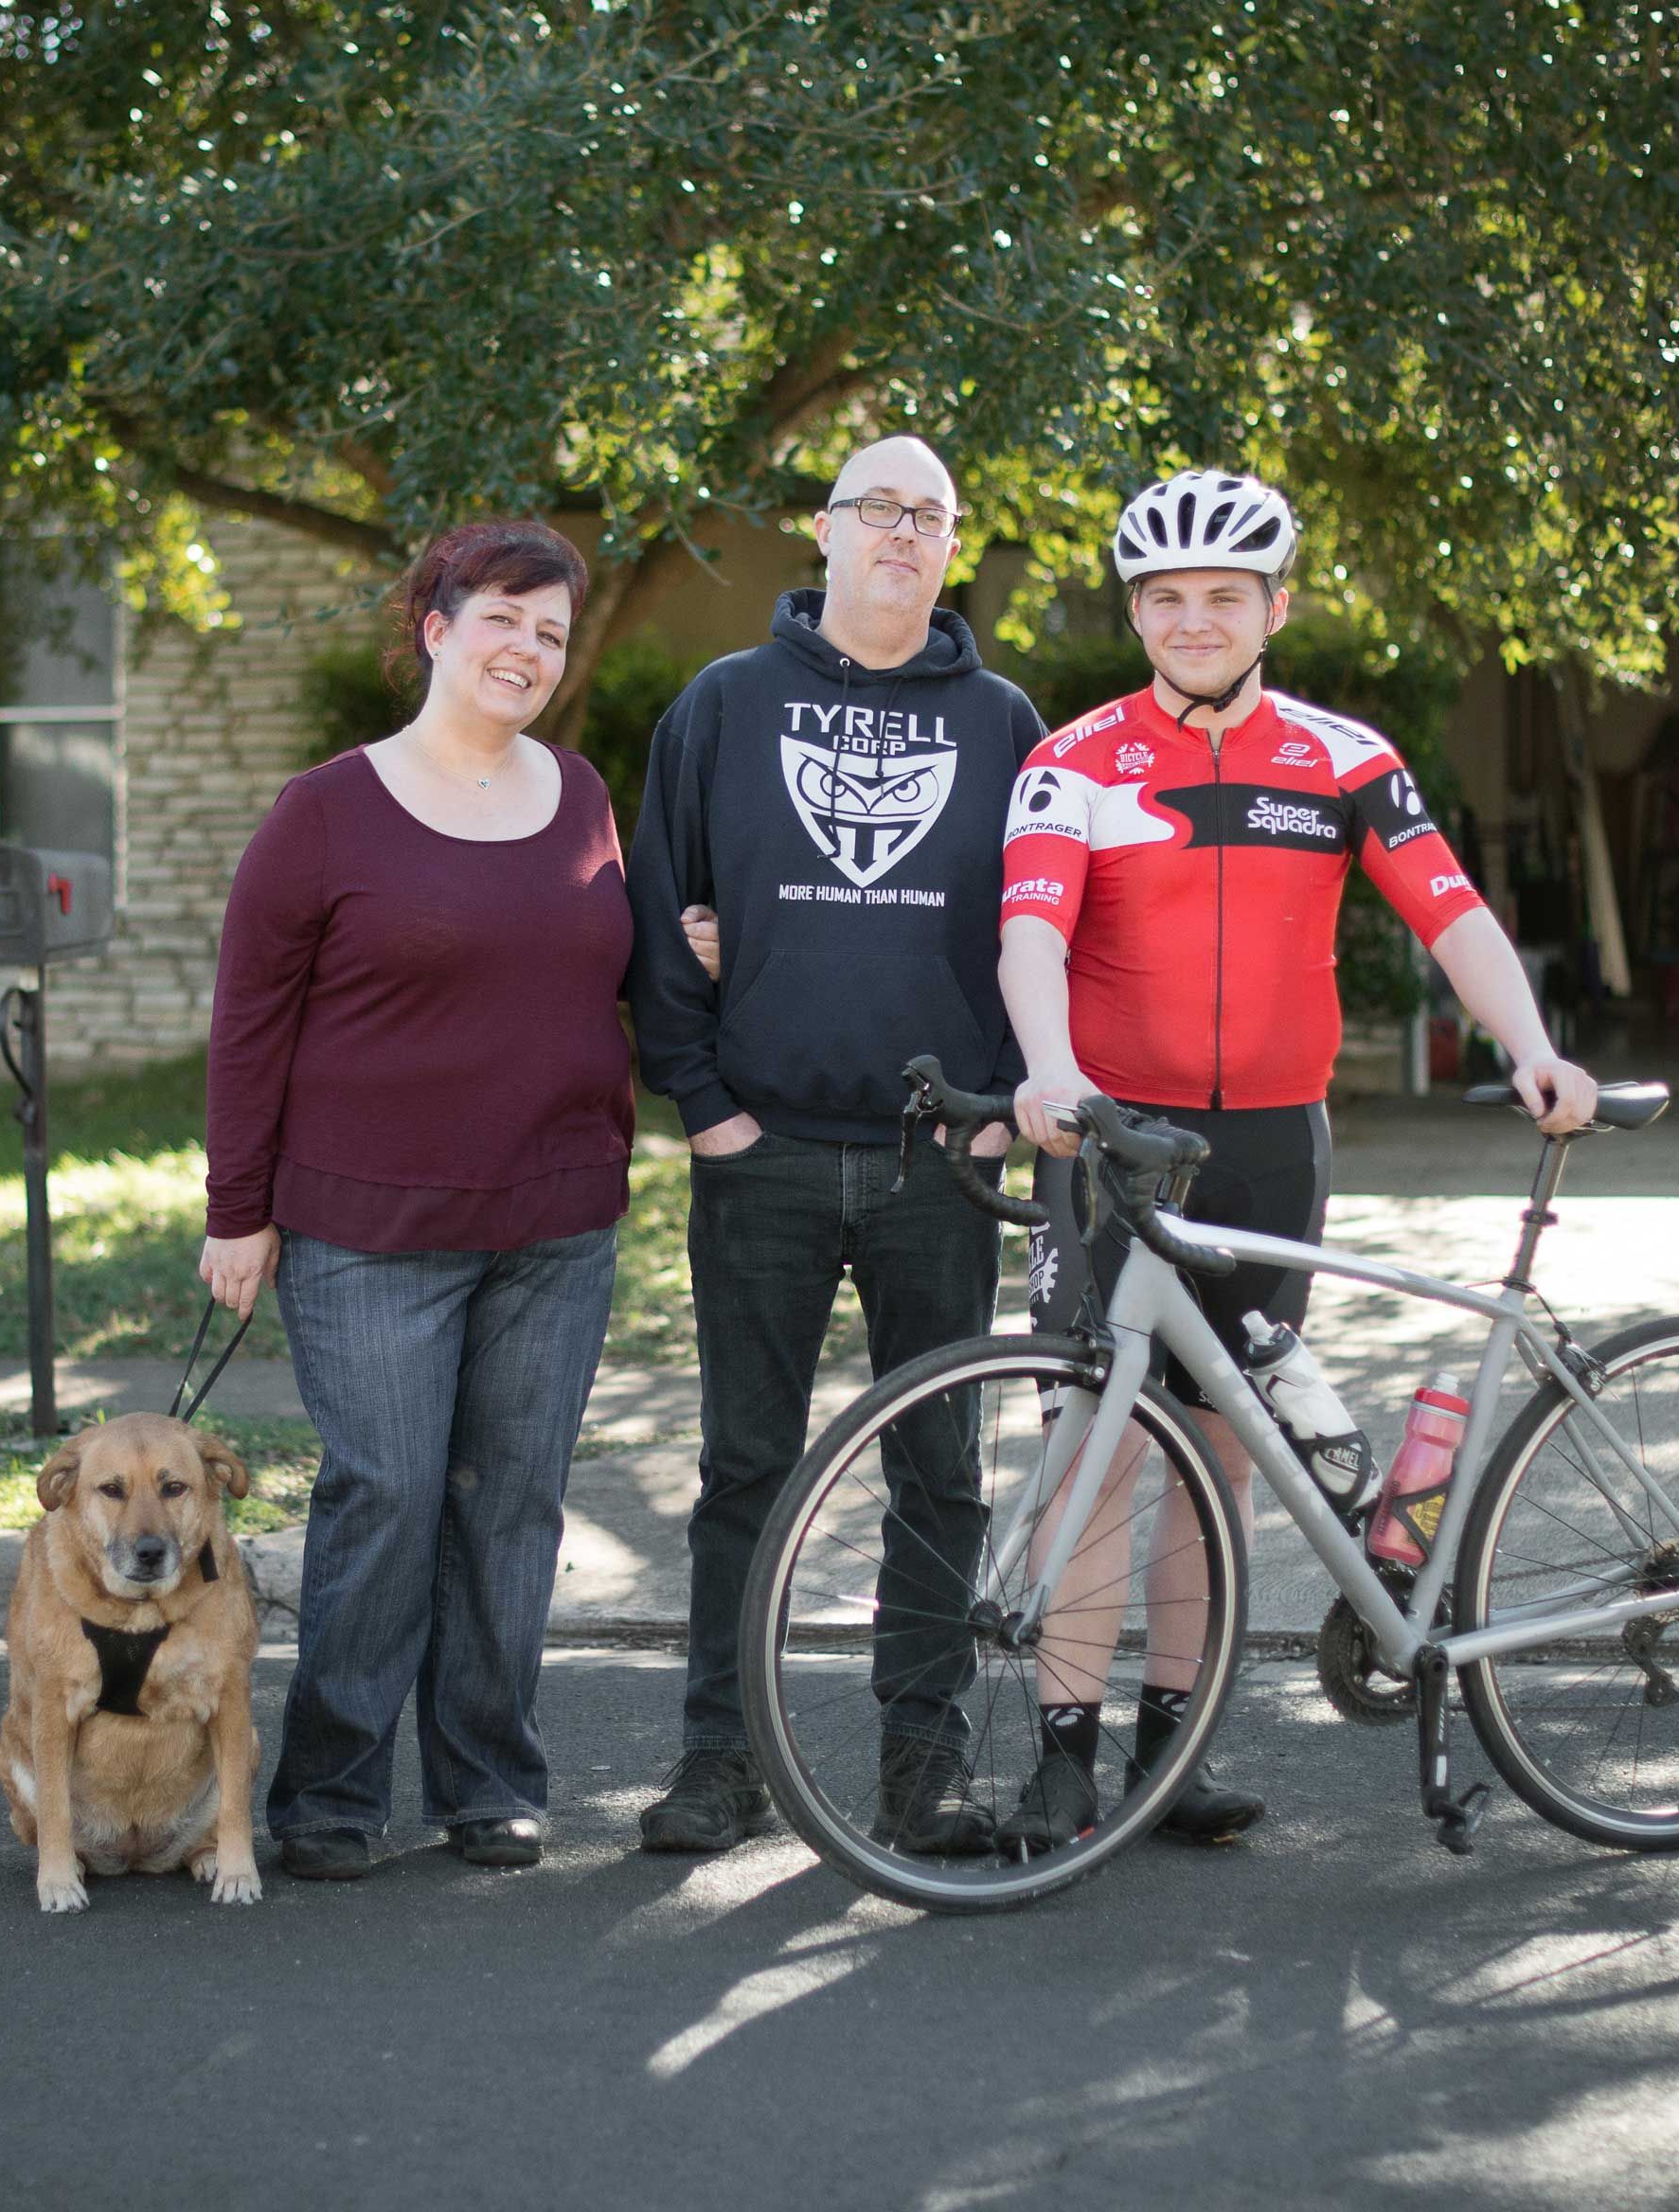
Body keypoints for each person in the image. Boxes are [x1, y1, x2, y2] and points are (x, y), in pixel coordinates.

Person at [994, 469, 1597, 1852]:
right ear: (1135, 609)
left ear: (1278, 604)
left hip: (1269, 1144)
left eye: (1222, 596)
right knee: (1094, 1445)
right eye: (1165, 598)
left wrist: (1532, 1045)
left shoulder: (1341, 757)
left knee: (1227, 1453)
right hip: (1114, 1139)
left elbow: (1449, 913)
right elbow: (1031, 929)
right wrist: (1049, 1071)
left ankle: (1177, 1746)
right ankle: (1064, 1754)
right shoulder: (1075, 760)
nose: (1192, 620)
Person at [623, 436, 1051, 1857]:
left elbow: (1043, 924)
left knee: (941, 1472)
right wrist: (706, 1104)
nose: (903, 534)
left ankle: (919, 1767)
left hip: (942, 1163)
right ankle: (717, 1759)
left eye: (930, 514)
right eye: (878, 508)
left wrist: (1001, 1103)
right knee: (748, 1468)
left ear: (950, 543)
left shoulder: (1001, 721)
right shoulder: (728, 703)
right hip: (767, 1155)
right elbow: (656, 908)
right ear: (824, 531)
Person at [199, 519, 635, 1882]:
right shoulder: (325, 810)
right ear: (437, 627)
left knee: (512, 1503)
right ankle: (330, 1794)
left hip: (553, 1225)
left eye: (551, 633)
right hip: (369, 1228)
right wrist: (236, 1209)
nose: (527, 649)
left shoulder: (579, 798)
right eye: (503, 617)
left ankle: (489, 1781)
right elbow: (249, 1021)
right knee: (386, 1497)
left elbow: (601, 971)